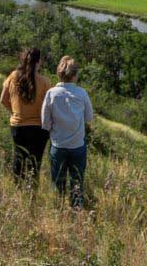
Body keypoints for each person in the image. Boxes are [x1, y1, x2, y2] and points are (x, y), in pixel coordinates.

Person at [40, 55, 94, 208]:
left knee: (58, 182)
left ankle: (58, 210)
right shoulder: (82, 93)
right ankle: (77, 210)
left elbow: (45, 122)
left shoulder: (51, 93)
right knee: (77, 181)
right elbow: (89, 117)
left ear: (59, 74)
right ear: (75, 75)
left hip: (58, 145)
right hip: (77, 146)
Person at [0, 48, 51, 183]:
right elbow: (49, 107)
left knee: (19, 158)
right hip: (39, 128)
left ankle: (17, 190)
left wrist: (15, 113)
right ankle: (31, 193)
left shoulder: (13, 76)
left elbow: (3, 100)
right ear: (39, 62)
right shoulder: (45, 82)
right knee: (35, 161)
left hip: (18, 125)